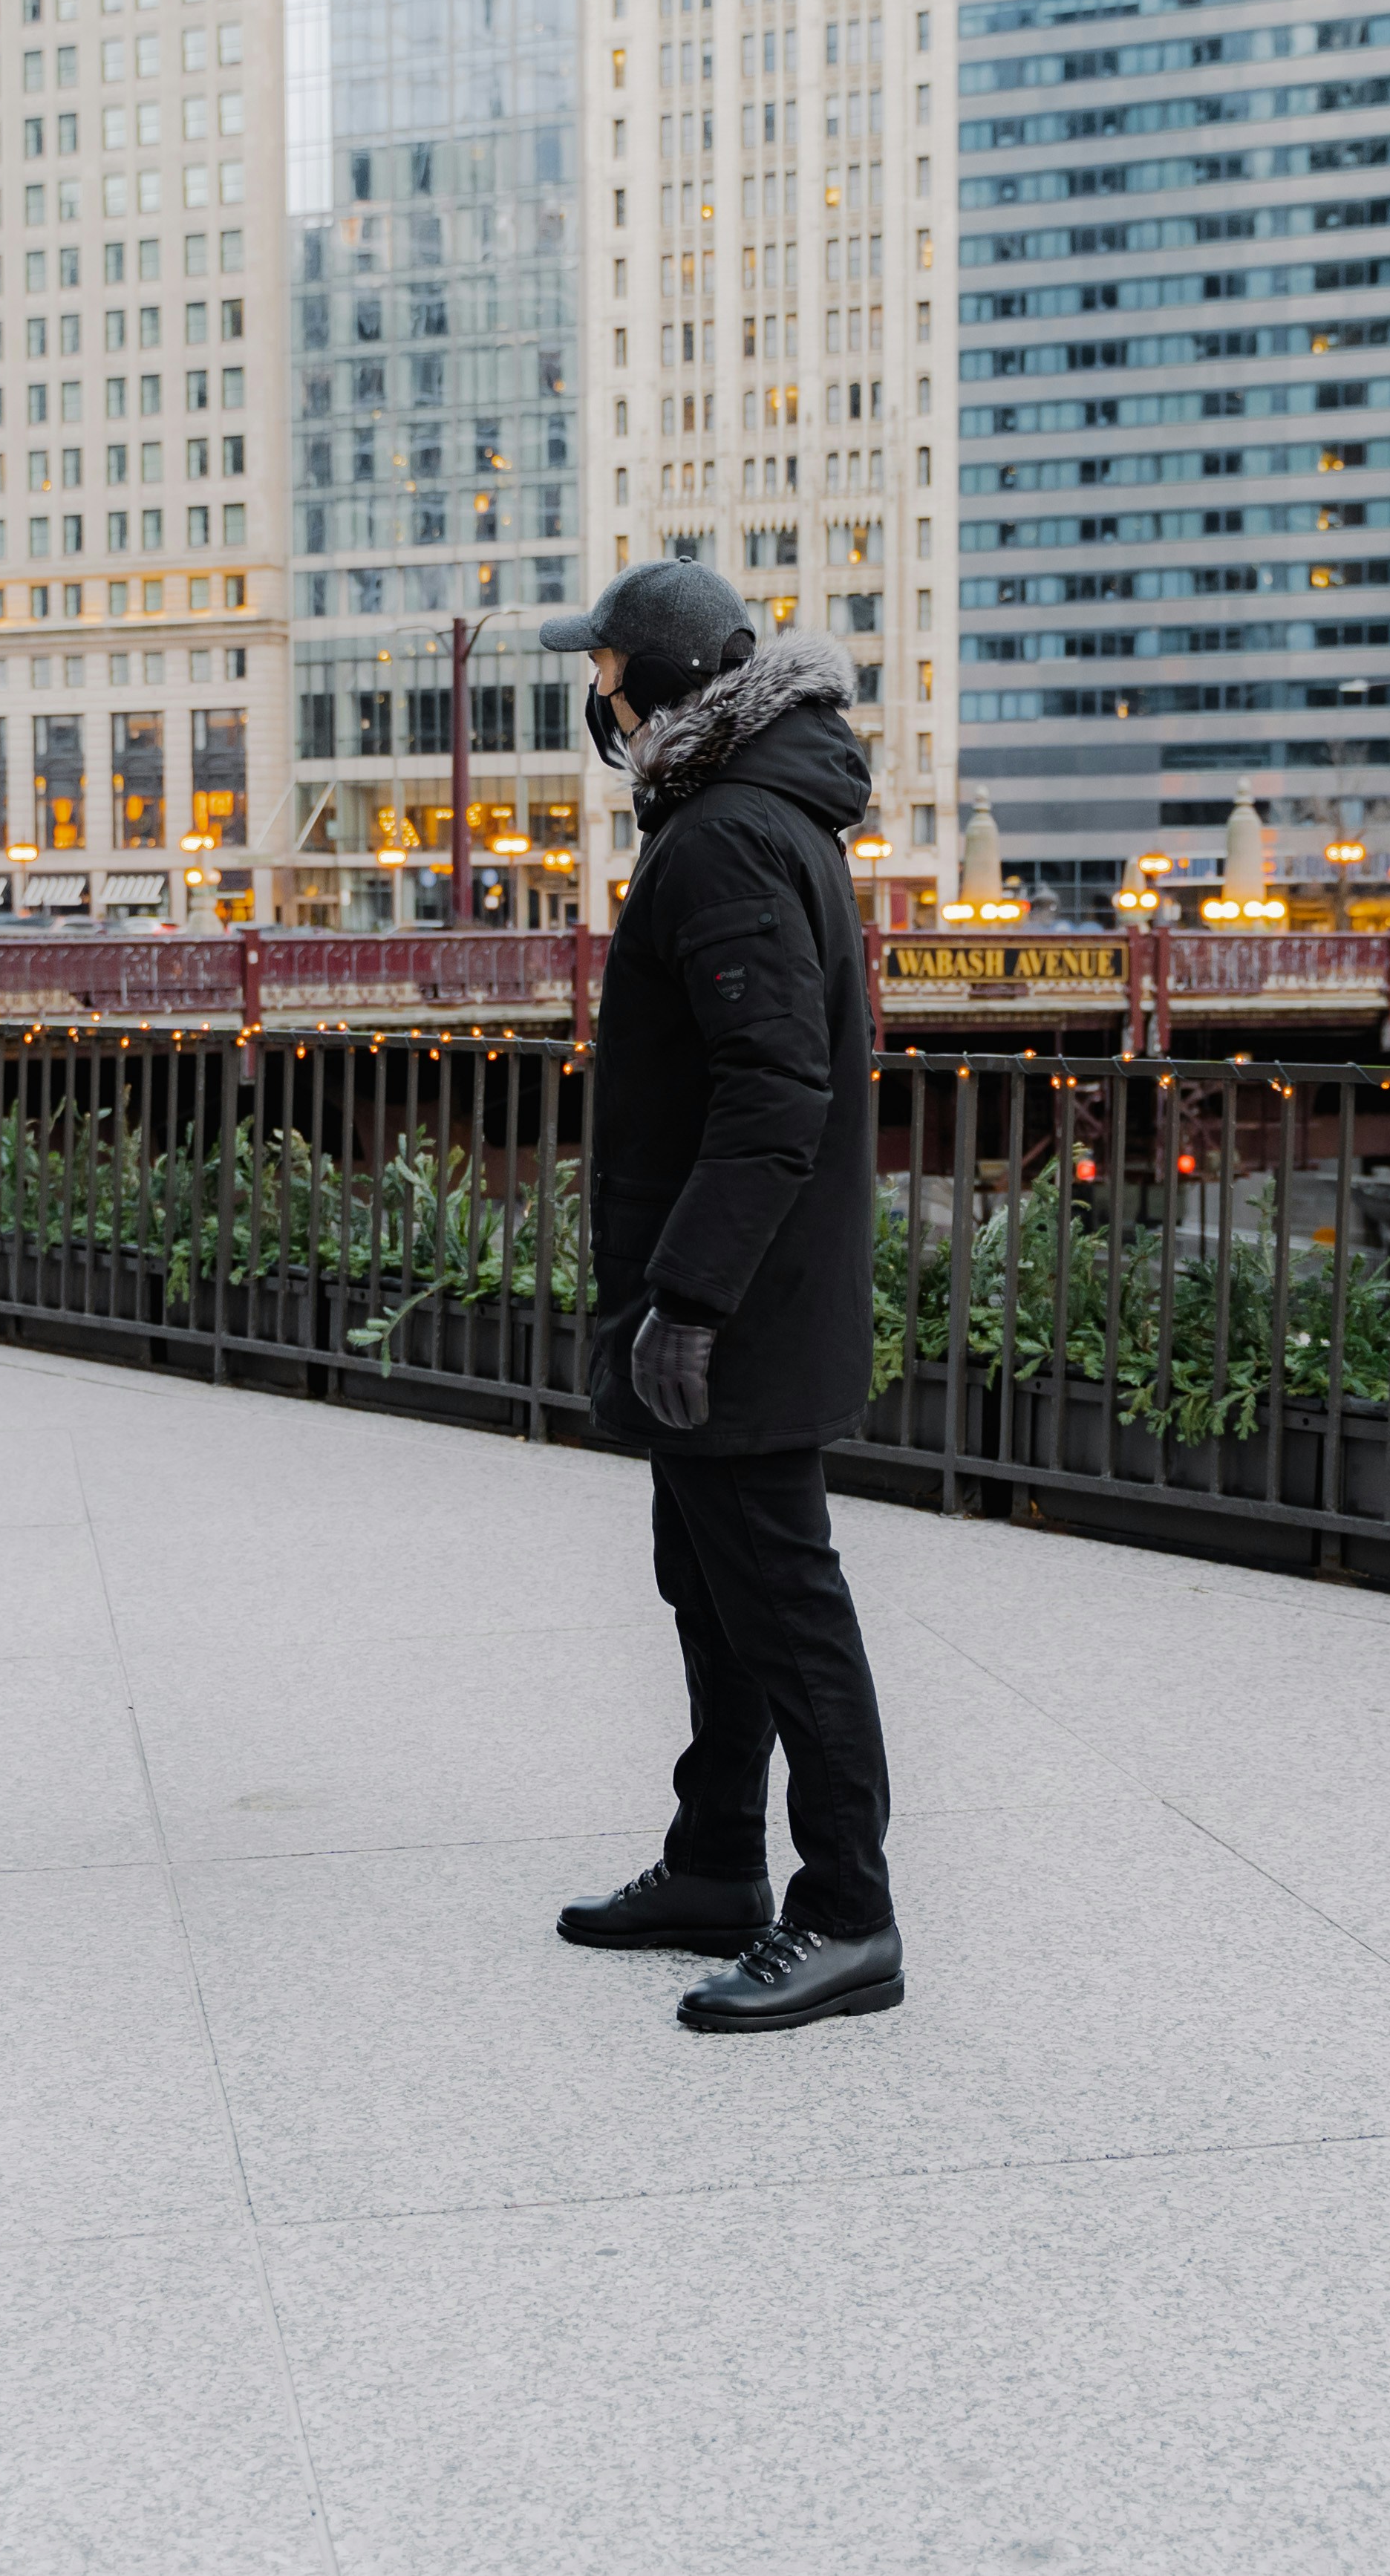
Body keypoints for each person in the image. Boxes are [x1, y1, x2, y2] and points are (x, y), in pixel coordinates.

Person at [538, 557, 903, 2035]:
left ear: (664, 690)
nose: (593, 693)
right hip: (732, 1293)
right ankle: (716, 1864)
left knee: (783, 1607)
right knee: (711, 1591)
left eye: (607, 669)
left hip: (739, 1306)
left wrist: (685, 1304)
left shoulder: (730, 840)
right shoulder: (737, 816)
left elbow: (772, 1095)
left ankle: (846, 1914)